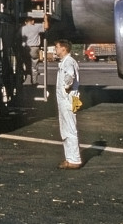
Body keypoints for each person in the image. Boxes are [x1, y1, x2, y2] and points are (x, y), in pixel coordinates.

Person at [55, 38, 82, 169]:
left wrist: (66, 86)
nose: (56, 50)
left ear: (63, 49)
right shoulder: (65, 62)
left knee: (70, 129)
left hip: (68, 99)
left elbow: (70, 77)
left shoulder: (68, 62)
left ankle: (74, 160)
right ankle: (70, 158)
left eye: (57, 47)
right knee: (66, 129)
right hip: (67, 100)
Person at [21, 14, 48, 83]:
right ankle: (34, 82)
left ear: (25, 22)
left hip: (24, 48)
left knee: (25, 64)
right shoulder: (36, 27)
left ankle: (23, 77)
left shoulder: (22, 28)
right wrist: (45, 19)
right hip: (34, 48)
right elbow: (46, 27)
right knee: (34, 66)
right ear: (32, 21)